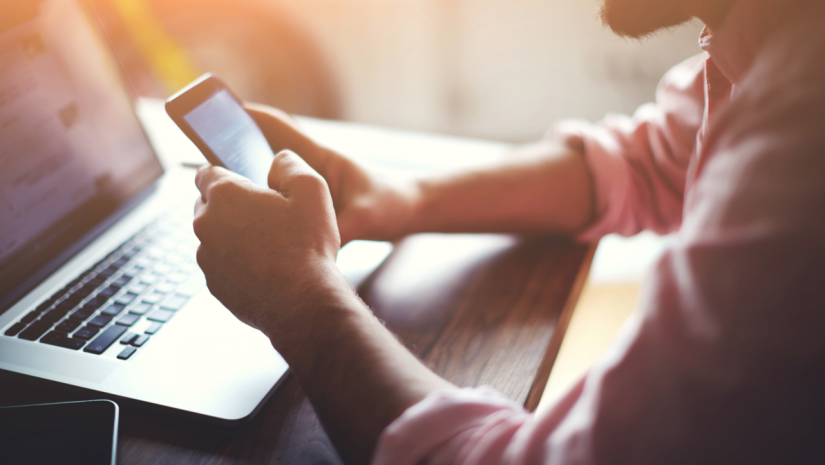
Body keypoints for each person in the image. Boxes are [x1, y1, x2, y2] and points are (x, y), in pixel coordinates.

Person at [192, 0, 825, 462]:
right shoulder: (770, 35)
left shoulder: (804, 127)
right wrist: (400, 198)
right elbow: (654, 158)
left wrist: (301, 301)